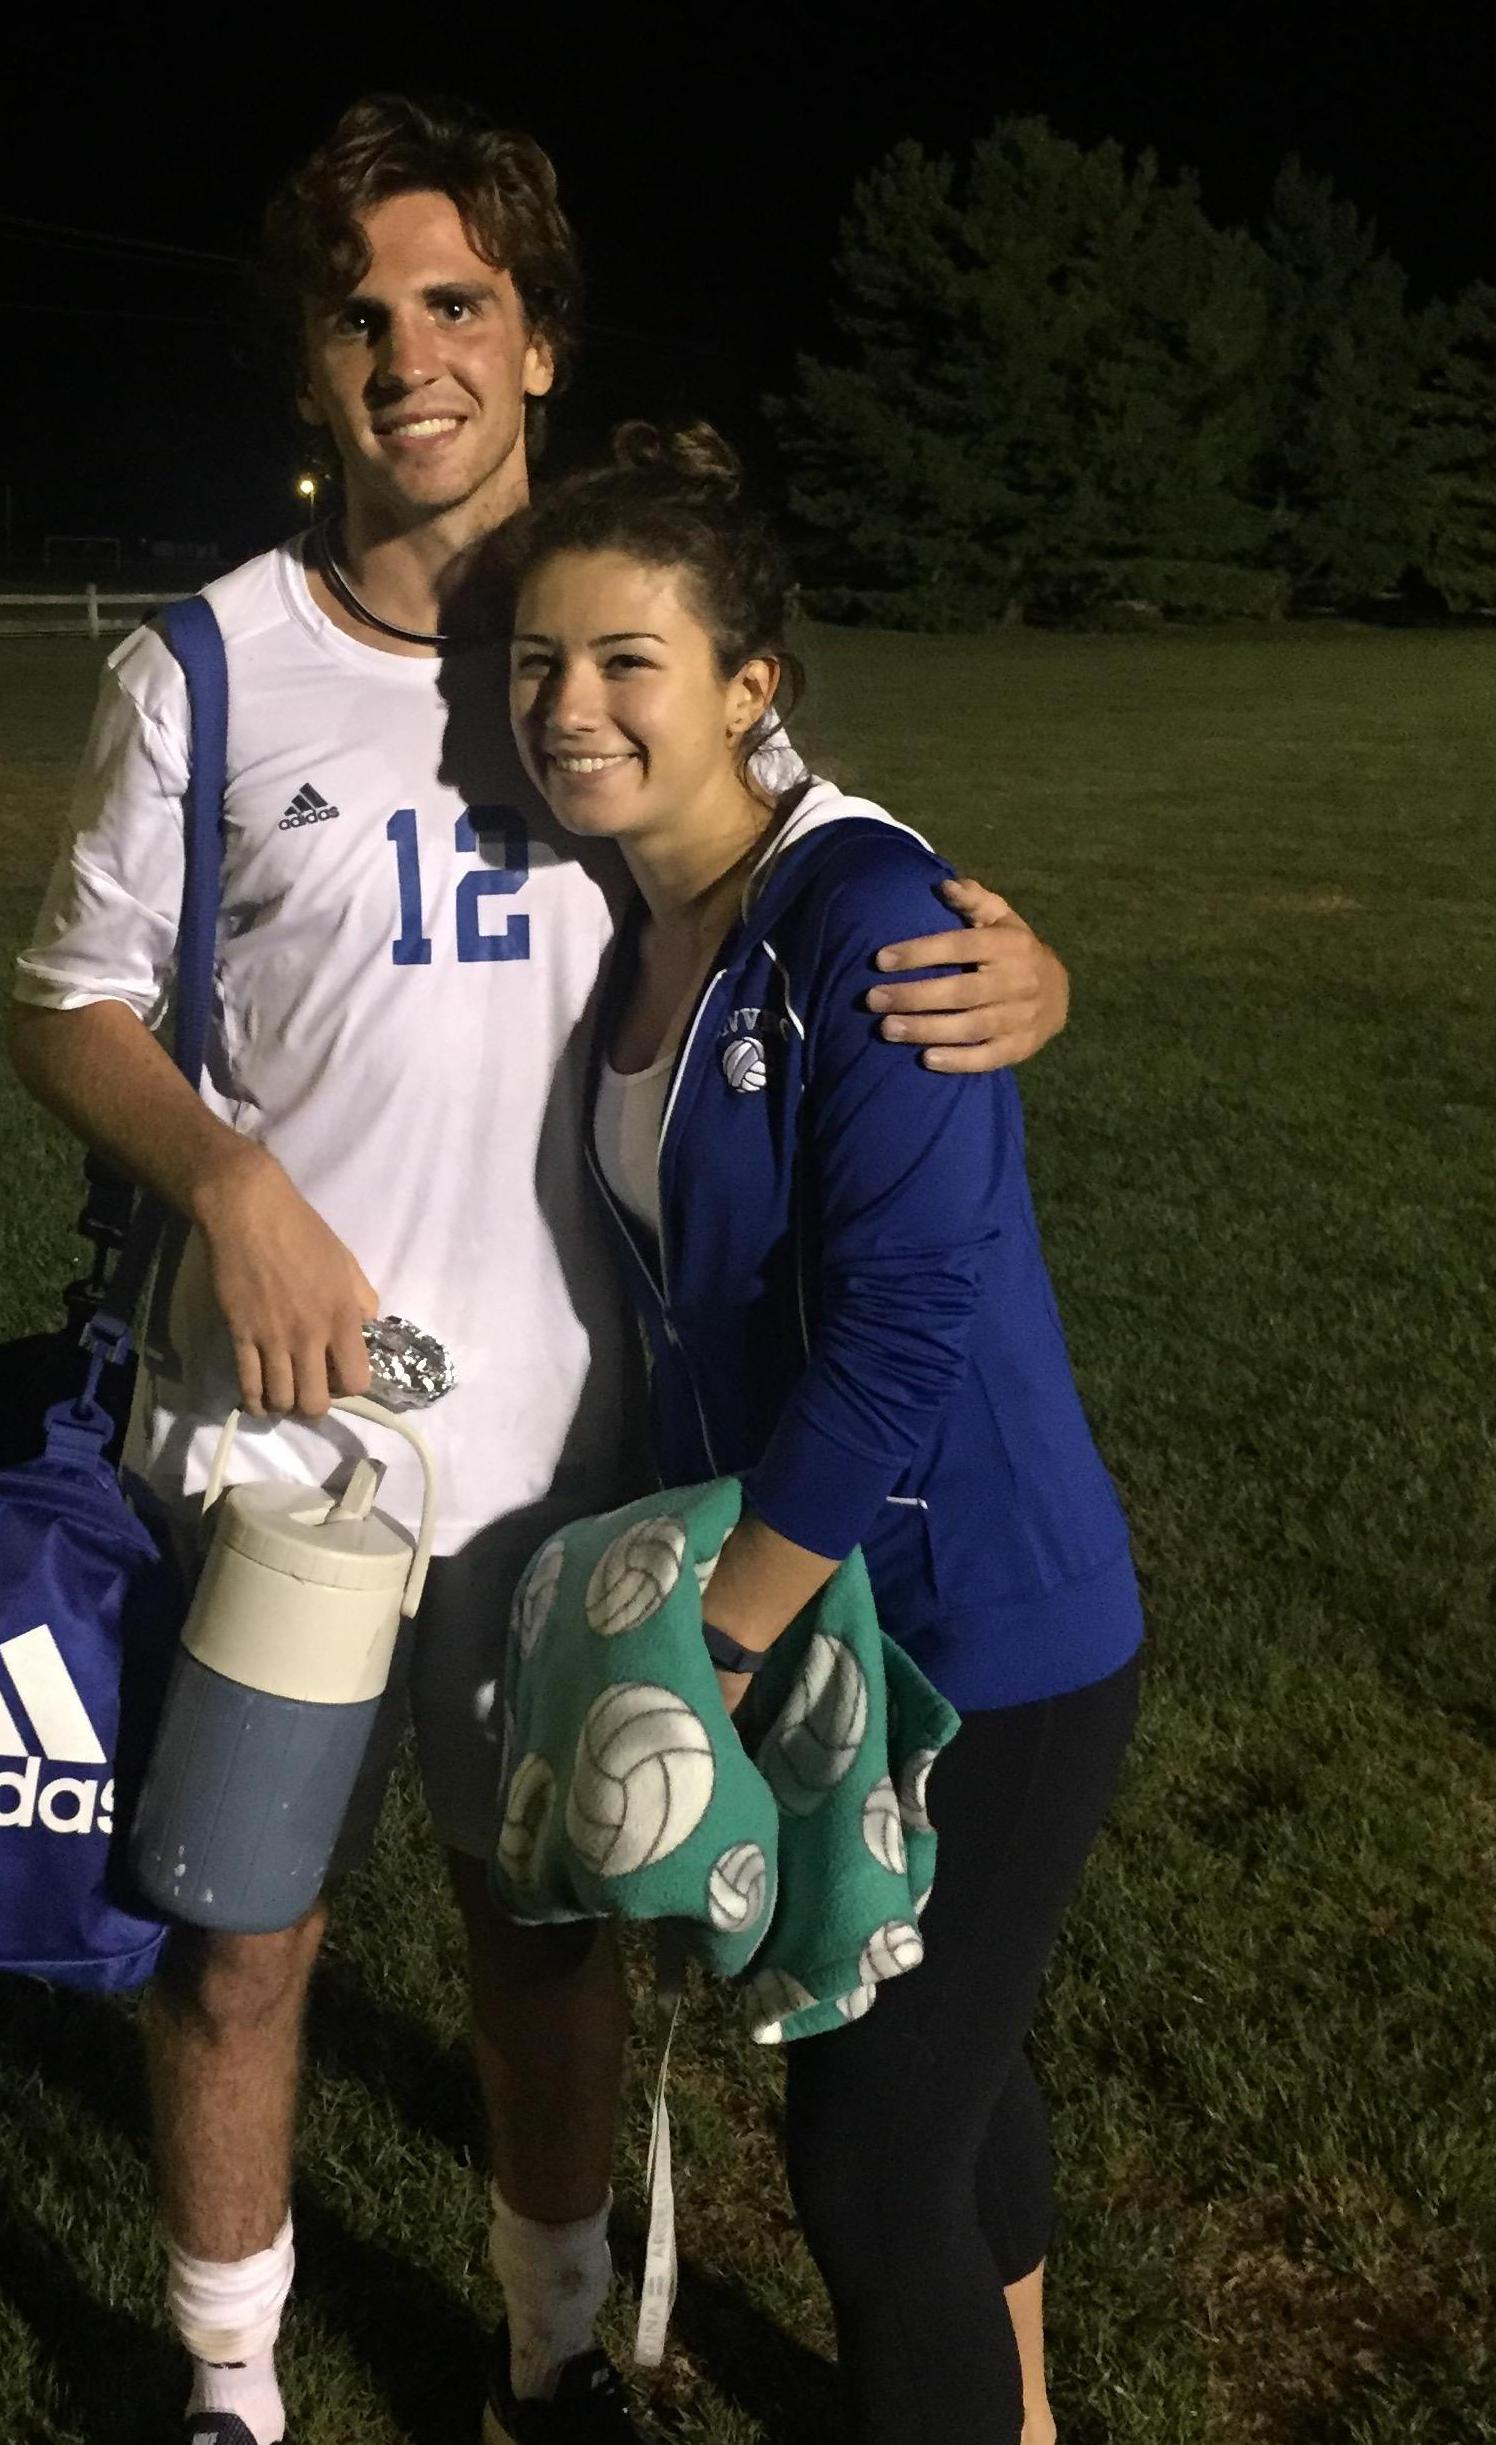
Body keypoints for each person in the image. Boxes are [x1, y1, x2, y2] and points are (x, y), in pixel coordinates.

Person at [7, 98, 1072, 2445]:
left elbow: (831, 876)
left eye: (456, 303)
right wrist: (224, 1176)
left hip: (571, 1469)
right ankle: (223, 2381)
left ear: (537, 347)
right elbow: (60, 997)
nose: (411, 354)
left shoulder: (609, 658)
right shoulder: (200, 669)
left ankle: (554, 2345)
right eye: (360, 314)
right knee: (243, 1926)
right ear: (312, 370)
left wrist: (1025, 967)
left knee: (542, 1929)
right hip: (287, 1449)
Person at [502, 422, 1143, 2445]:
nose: (571, 706)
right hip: (823, 1617)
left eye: (628, 661)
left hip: (977, 1627)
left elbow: (899, 1326)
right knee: (945, 2061)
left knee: (869, 2158)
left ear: (747, 687)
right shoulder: (626, 925)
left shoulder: (866, 915)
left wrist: (714, 1638)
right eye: (535, 663)